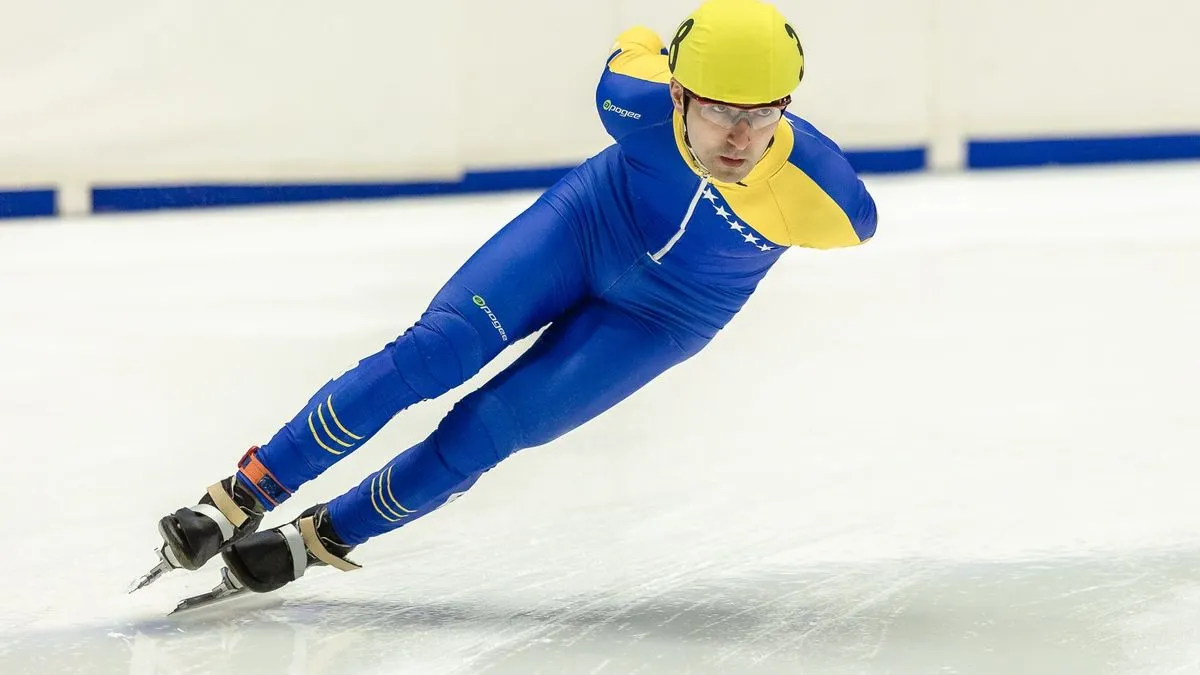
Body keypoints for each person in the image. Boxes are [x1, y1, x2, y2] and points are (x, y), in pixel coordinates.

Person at [135, 0, 878, 597]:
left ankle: (320, 539)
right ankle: (241, 493)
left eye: (764, 114)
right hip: (587, 225)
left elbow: (855, 219)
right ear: (678, 92)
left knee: (486, 431)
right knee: (433, 352)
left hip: (666, 315)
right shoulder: (629, 99)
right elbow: (635, 43)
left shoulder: (830, 202)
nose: (741, 137)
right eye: (721, 111)